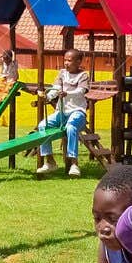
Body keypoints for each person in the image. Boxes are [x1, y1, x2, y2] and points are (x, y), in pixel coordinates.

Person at [34, 48, 91, 178]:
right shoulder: (62, 73)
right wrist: (47, 97)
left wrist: (67, 93)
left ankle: (74, 164)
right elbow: (56, 89)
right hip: (62, 112)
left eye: (69, 60)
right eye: (65, 60)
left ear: (78, 61)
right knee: (42, 126)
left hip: (77, 112)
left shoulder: (83, 75)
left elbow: (81, 91)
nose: (66, 63)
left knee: (71, 128)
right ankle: (50, 161)